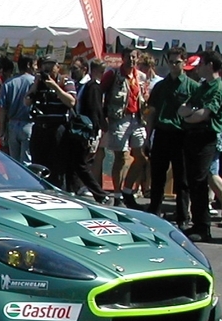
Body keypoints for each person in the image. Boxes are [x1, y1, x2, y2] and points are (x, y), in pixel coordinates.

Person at [177, 50, 222, 243]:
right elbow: (183, 109)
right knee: (192, 180)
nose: (198, 68)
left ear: (210, 65)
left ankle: (203, 226)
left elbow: (203, 114)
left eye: (202, 64)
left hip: (206, 137)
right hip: (192, 135)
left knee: (199, 181)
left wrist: (191, 114)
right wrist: (191, 113)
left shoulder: (218, 89)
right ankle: (197, 224)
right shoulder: (202, 87)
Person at [144, 47, 196, 227]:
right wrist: (147, 137)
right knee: (158, 176)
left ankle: (183, 216)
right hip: (162, 133)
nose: (174, 65)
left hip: (181, 135)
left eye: (177, 62)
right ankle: (154, 213)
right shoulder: (160, 86)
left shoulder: (192, 86)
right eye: (171, 62)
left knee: (182, 179)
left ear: (184, 62)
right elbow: (152, 112)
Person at [101, 48, 149, 208]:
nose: (132, 60)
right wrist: (102, 118)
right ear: (123, 58)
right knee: (120, 156)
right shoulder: (113, 74)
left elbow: (144, 96)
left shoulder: (140, 76)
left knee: (141, 157)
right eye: (128, 57)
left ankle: (128, 190)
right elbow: (100, 94)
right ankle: (117, 194)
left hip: (137, 119)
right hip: (119, 118)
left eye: (134, 57)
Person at [25, 57, 76, 188]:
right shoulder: (38, 83)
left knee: (57, 167)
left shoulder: (65, 80)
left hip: (57, 129)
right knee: (38, 166)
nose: (47, 68)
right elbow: (26, 102)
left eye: (51, 65)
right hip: (40, 129)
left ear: (58, 67)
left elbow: (71, 102)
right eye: (45, 65)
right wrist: (36, 85)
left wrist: (55, 87)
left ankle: (59, 192)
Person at [64, 58, 108, 201]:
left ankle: (99, 193)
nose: (73, 72)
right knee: (71, 161)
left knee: (80, 164)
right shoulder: (76, 85)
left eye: (75, 69)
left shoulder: (92, 86)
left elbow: (95, 111)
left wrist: (93, 133)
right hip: (74, 129)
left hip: (84, 131)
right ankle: (72, 189)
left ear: (84, 69)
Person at [0, 55, 37, 162]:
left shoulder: (9, 83)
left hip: (12, 125)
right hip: (28, 124)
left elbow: (2, 108)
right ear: (29, 65)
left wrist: (2, 130)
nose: (36, 68)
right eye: (34, 64)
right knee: (27, 162)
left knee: (14, 163)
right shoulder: (34, 82)